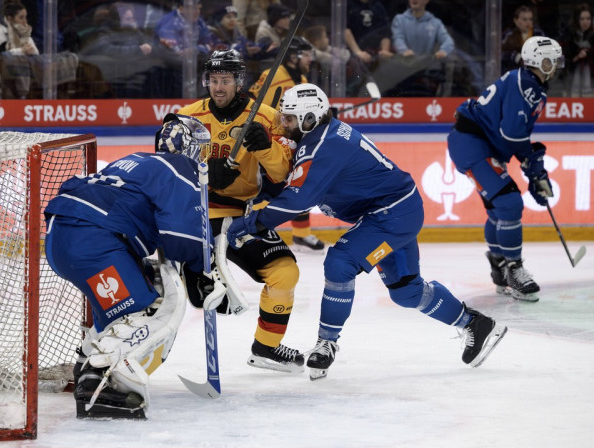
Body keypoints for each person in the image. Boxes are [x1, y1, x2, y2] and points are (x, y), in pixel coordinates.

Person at [227, 83, 509, 381]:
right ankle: (474, 323)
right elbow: (292, 172)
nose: (284, 124)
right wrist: (267, 143)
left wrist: (249, 224)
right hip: (395, 209)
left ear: (309, 119)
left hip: (391, 215)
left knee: (340, 262)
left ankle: (327, 342)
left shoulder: (322, 147)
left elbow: (298, 200)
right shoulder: (320, 136)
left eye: (289, 119)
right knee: (406, 290)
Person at [44, 115, 228, 419]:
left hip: (61, 238)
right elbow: (181, 237)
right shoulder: (181, 167)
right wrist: (202, 268)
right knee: (152, 304)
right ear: (191, 149)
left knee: (125, 306)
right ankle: (105, 385)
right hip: (94, 241)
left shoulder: (133, 161)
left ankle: (89, 361)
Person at [177, 49, 304, 372]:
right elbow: (166, 167)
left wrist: (264, 147)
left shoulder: (265, 117)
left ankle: (266, 347)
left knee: (284, 272)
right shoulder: (188, 117)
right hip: (192, 218)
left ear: (239, 82)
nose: (218, 87)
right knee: (165, 294)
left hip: (239, 217)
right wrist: (203, 173)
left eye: (225, 80)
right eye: (213, 80)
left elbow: (280, 173)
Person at [446, 36, 563, 302]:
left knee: (499, 207)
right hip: (472, 144)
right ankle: (514, 269)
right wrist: (531, 163)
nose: (556, 65)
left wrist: (531, 161)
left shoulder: (527, 83)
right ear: (539, 61)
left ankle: (499, 264)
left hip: (477, 143)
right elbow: (511, 134)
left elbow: (513, 133)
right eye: (552, 60)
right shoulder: (527, 85)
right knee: (509, 202)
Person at [248, 36, 326, 252]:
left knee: (299, 184)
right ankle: (249, 228)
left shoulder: (301, 79)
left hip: (291, 142)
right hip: (268, 143)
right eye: (307, 54)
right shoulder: (272, 76)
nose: (310, 58)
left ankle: (301, 235)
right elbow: (257, 111)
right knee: (266, 191)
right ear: (294, 55)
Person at [388, 0, 455, 96]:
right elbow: (398, 38)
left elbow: (448, 41)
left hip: (426, 73)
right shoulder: (399, 19)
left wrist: (443, 51)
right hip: (403, 71)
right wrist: (404, 50)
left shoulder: (435, 23)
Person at [0, 0, 39, 99]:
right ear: (9, 18)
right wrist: (21, 51)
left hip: (23, 88)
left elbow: (37, 59)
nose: (25, 21)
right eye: (21, 17)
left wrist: (32, 53)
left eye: (26, 17)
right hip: (0, 90)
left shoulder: (26, 35)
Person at [344, 0, 393, 96]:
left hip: (375, 52)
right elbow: (345, 30)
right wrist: (358, 52)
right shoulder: (348, 5)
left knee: (389, 64)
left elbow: (385, 32)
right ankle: (354, 96)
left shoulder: (378, 6)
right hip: (354, 52)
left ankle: (385, 97)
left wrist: (384, 51)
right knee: (356, 64)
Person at [559, 3, 594, 97]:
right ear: (576, 19)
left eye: (588, 18)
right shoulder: (566, 37)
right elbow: (559, 63)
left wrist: (589, 53)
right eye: (582, 19)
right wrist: (576, 58)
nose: (585, 22)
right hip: (569, 82)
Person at [501, 5, 545, 74]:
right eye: (524, 19)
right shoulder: (508, 34)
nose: (528, 22)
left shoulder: (539, 34)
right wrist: (516, 57)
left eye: (530, 19)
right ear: (515, 20)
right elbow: (500, 53)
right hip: (513, 74)